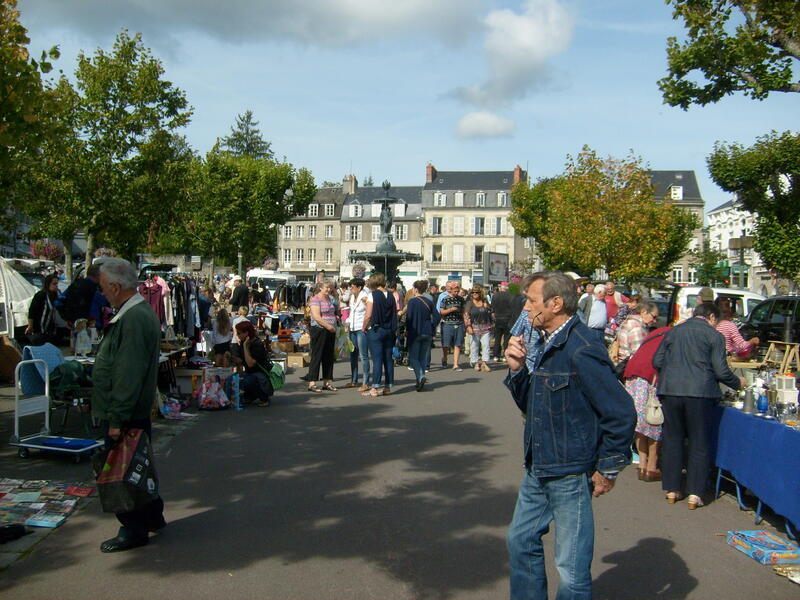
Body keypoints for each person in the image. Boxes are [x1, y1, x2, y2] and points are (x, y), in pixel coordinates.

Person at [504, 271, 636, 599]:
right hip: (539, 463)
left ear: (556, 304)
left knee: (571, 567)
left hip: (570, 470)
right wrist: (517, 370)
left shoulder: (581, 347)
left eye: (531, 301)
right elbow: (533, 403)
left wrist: (607, 468)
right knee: (520, 540)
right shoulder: (546, 341)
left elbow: (620, 411)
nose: (526, 307)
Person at [91, 258, 165, 553]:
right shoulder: (136, 312)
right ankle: (152, 516)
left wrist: (116, 419)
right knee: (138, 465)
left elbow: (128, 374)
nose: (102, 292)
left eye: (103, 287)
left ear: (114, 286)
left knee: (123, 470)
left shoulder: (133, 317)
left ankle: (134, 528)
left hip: (126, 412)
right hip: (131, 409)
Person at [653, 302, 745, 509]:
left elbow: (657, 361)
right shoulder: (714, 336)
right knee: (699, 441)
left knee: (673, 439)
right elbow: (721, 371)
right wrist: (738, 383)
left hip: (671, 390)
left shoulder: (674, 332)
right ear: (712, 317)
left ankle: (672, 489)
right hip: (700, 392)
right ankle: (695, 493)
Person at [616, 302, 662, 482]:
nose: (654, 321)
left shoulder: (627, 323)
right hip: (641, 377)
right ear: (644, 312)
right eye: (653, 316)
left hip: (630, 374)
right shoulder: (637, 327)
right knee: (651, 419)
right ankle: (650, 465)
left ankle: (642, 464)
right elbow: (640, 354)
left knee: (639, 421)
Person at [362, 272, 397, 397]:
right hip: (389, 330)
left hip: (376, 330)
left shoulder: (372, 295)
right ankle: (388, 386)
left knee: (377, 359)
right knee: (388, 359)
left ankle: (374, 388)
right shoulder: (391, 295)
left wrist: (364, 327)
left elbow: (368, 315)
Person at [406, 280, 439, 391]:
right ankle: (419, 380)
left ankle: (421, 376)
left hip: (415, 332)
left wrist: (407, 330)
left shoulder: (412, 302)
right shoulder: (429, 301)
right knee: (422, 358)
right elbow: (437, 316)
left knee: (413, 358)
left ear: (415, 289)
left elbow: (409, 318)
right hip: (427, 332)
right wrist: (432, 326)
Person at [306, 280, 339, 393]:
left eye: (330, 288)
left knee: (328, 356)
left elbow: (335, 311)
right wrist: (328, 326)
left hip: (331, 330)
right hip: (319, 329)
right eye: (326, 287)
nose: (328, 290)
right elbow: (316, 316)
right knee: (317, 355)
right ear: (320, 288)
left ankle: (327, 382)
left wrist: (335, 320)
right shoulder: (315, 299)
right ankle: (312, 383)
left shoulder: (331, 299)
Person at [234, 320, 273, 407]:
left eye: (239, 333)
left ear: (246, 333)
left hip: (260, 374)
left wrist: (245, 347)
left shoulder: (257, 344)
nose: (237, 335)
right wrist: (230, 357)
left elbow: (250, 364)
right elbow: (240, 360)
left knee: (248, 380)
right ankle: (250, 396)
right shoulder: (243, 342)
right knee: (235, 377)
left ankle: (264, 397)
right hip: (250, 372)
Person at [346, 277, 371, 391]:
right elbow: (352, 312)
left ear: (359, 287)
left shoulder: (365, 297)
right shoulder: (352, 297)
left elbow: (370, 312)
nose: (350, 289)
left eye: (352, 287)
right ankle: (354, 380)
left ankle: (365, 382)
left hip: (361, 329)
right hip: (352, 327)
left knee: (363, 355)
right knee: (353, 354)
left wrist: (365, 326)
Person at [464, 284, 494, 372]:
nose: (474, 294)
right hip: (474, 327)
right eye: (473, 292)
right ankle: (475, 362)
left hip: (486, 327)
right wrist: (468, 326)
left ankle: (485, 363)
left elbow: (492, 311)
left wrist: (487, 307)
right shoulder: (470, 303)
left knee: (486, 345)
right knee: (474, 346)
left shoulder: (484, 301)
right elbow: (466, 315)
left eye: (476, 292)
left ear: (480, 293)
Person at [26, 273, 60, 345]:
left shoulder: (54, 295)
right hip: (39, 329)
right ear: (48, 284)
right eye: (54, 284)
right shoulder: (41, 295)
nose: (56, 286)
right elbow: (32, 311)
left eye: (57, 284)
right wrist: (30, 325)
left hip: (50, 330)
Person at [439, 282, 466, 371]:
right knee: (446, 345)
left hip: (459, 323)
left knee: (458, 344)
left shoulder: (461, 299)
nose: (456, 293)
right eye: (455, 291)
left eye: (458, 291)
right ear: (451, 290)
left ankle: (455, 364)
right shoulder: (445, 299)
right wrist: (451, 309)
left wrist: (465, 322)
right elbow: (442, 312)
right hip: (447, 323)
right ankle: (445, 358)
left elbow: (464, 311)